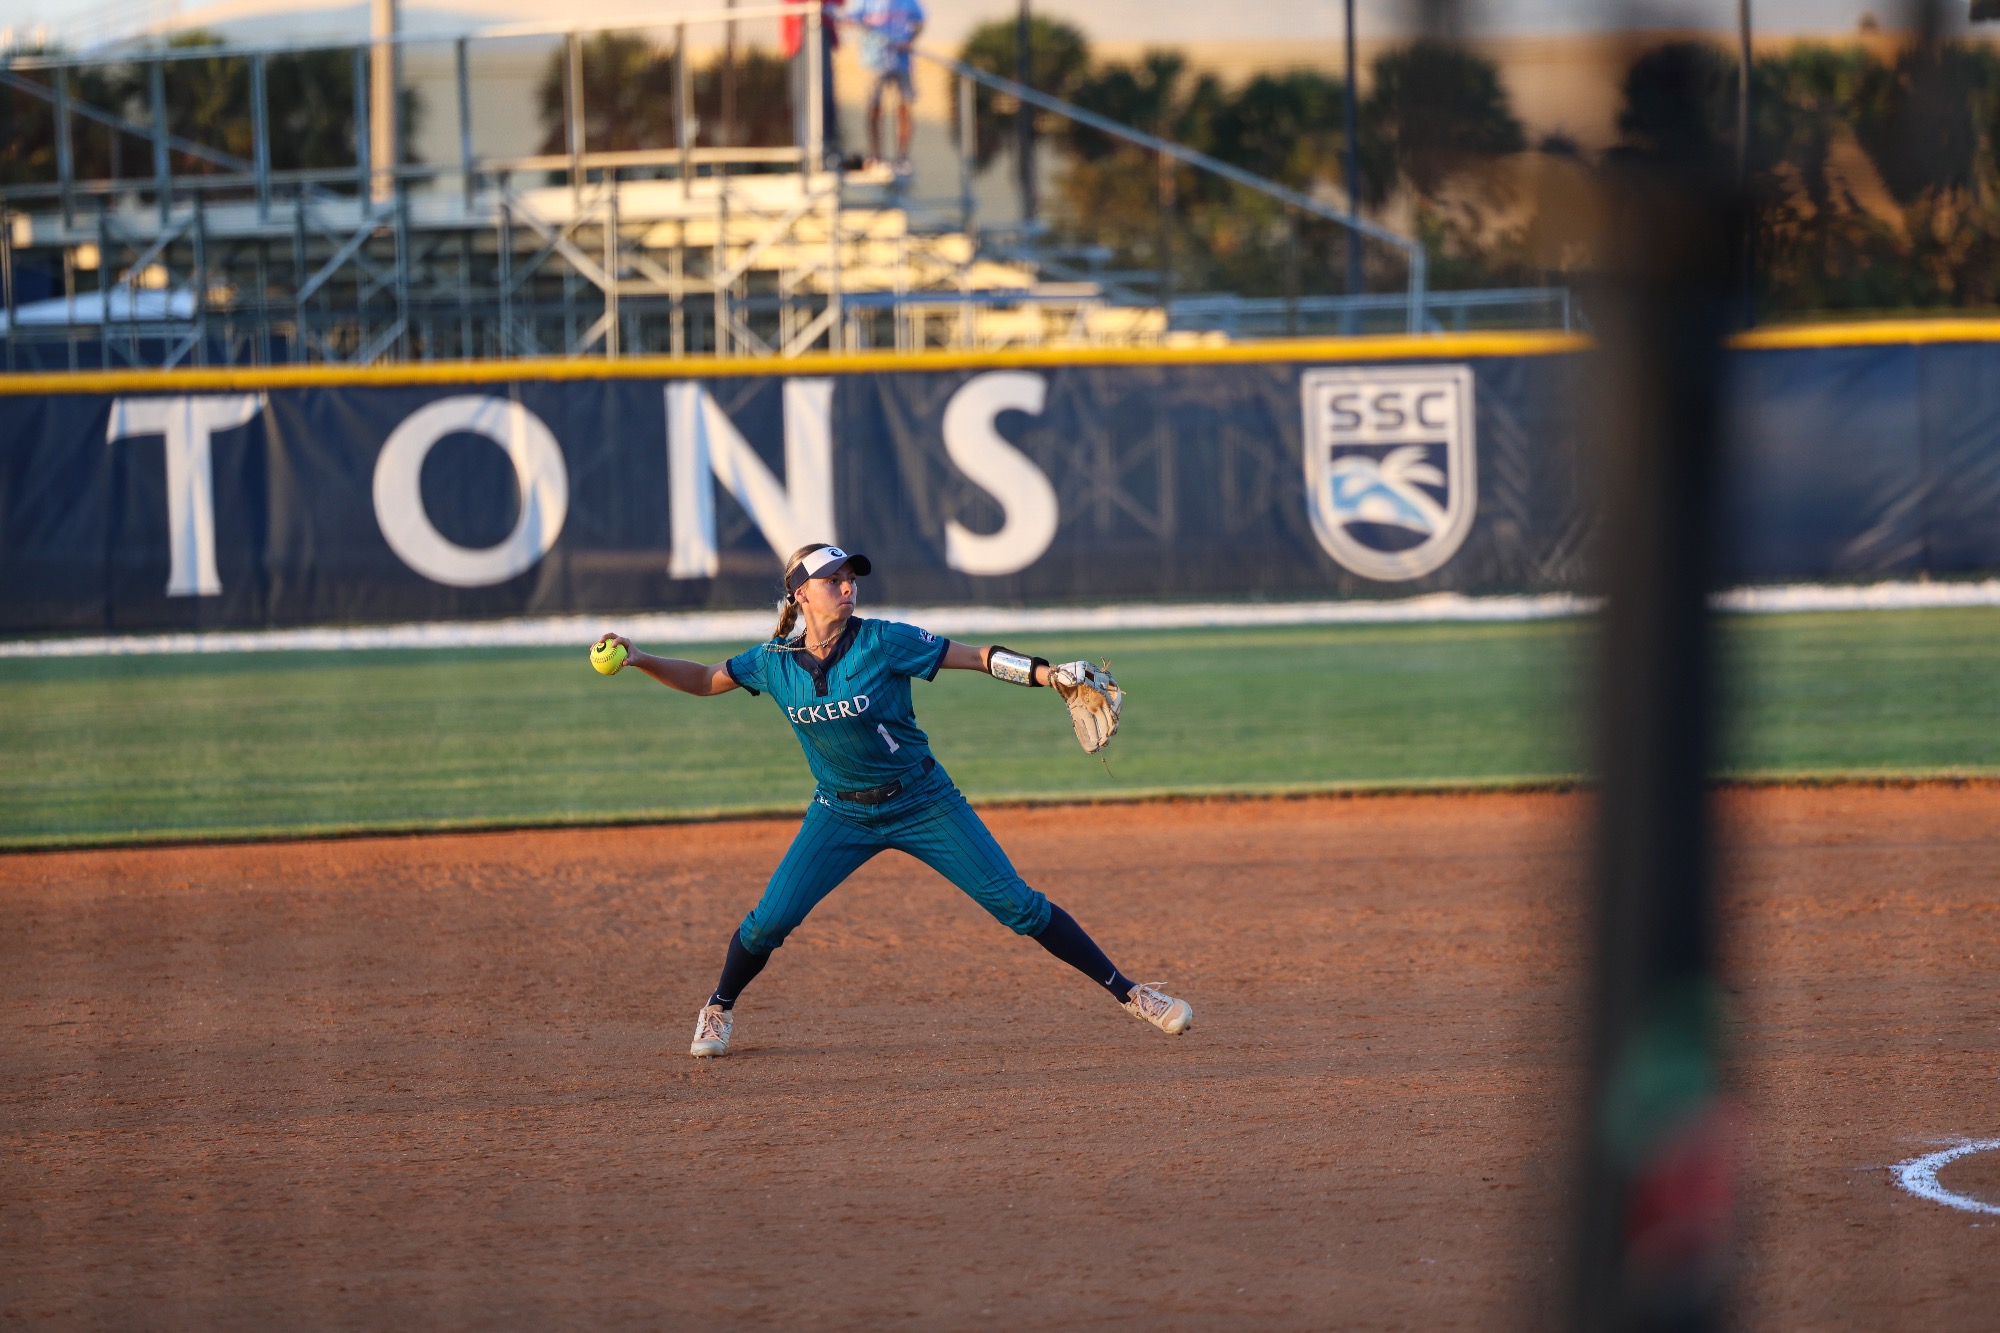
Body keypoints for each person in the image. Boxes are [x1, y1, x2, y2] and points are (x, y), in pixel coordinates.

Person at [592, 542, 1194, 1058]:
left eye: (851, 579)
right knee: (769, 920)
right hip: (840, 812)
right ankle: (719, 1005)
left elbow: (976, 658)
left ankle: (1132, 991)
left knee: (1020, 907)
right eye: (834, 580)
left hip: (924, 802)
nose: (848, 588)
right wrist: (641, 658)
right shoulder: (772, 664)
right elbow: (702, 680)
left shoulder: (884, 642)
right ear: (801, 594)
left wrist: (1046, 675)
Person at [852, 0, 923, 172]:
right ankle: (877, 155)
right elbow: (853, 18)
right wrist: (871, 30)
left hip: (902, 61)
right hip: (875, 60)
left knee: (904, 108)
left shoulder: (909, 2)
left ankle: (902, 157)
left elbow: (919, 21)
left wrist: (909, 40)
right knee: (875, 108)